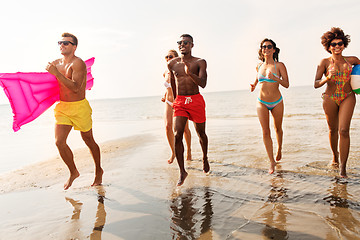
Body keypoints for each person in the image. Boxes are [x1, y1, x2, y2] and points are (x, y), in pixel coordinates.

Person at [46, 32, 103, 190]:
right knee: (59, 142)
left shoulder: (78, 64)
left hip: (79, 107)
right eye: (60, 42)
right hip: (63, 107)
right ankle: (73, 172)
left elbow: (76, 88)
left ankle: (99, 170)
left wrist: (56, 73)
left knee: (88, 140)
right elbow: (47, 84)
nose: (62, 45)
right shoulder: (55, 63)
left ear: (74, 47)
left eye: (66, 43)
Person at [314, 27, 360, 178]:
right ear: (328, 47)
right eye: (333, 44)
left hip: (348, 96)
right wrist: (327, 77)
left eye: (340, 43)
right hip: (330, 98)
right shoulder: (324, 62)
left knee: (344, 130)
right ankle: (335, 156)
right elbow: (316, 83)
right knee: (333, 130)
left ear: (344, 44)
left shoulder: (353, 60)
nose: (337, 46)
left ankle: (343, 169)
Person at [168, 34, 209, 186]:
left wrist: (190, 73)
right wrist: (175, 100)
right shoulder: (172, 64)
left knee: (201, 133)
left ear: (192, 45)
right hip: (180, 102)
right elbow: (173, 83)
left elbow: (203, 83)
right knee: (177, 134)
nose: (182, 45)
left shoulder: (200, 62)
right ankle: (182, 171)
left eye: (186, 42)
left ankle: (204, 157)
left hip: (196, 100)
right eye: (180, 42)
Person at [250, 38, 289, 174]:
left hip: (277, 101)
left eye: (268, 46)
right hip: (261, 102)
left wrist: (275, 78)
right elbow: (257, 77)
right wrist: (254, 84)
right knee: (265, 131)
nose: (265, 49)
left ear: (273, 50)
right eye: (263, 47)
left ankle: (279, 148)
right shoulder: (259, 66)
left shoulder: (280, 65)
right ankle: (271, 161)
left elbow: (286, 84)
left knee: (278, 128)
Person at [161, 50, 192, 164]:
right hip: (169, 102)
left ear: (176, 58)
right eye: (166, 57)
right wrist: (165, 95)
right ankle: (173, 152)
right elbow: (168, 86)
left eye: (170, 56)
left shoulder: (181, 70)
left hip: (180, 102)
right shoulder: (165, 73)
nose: (168, 58)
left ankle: (188, 150)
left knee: (184, 129)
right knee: (168, 127)